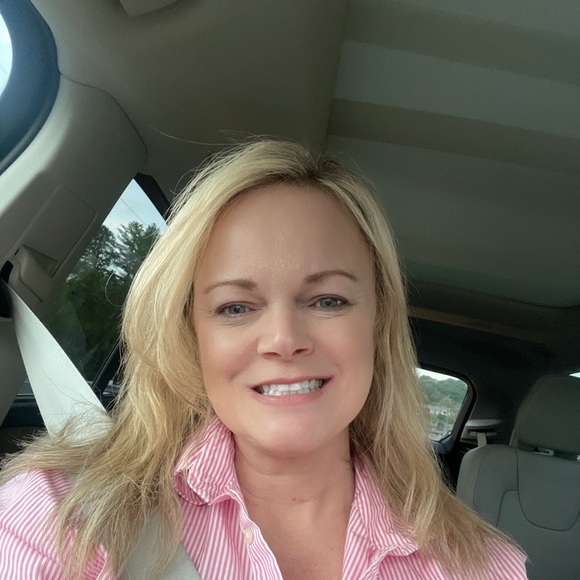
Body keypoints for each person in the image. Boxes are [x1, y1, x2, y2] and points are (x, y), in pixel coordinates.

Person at [0, 140, 526, 579]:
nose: (283, 339)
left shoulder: (482, 567)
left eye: (328, 300)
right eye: (235, 307)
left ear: (378, 321)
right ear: (192, 334)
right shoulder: (59, 520)